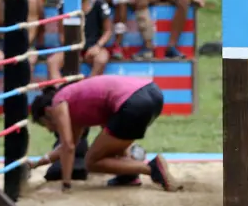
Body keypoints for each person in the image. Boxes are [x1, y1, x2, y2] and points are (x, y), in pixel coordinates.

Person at [27, 75, 177, 192]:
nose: (48, 129)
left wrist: (66, 185)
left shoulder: (58, 102)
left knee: (91, 161)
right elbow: (66, 147)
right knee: (111, 144)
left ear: (47, 111)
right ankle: (128, 176)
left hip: (133, 102)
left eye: (43, 124)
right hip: (153, 93)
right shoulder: (75, 105)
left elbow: (68, 147)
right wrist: (36, 164)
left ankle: (151, 169)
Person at [45, 0, 112, 80]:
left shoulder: (99, 3)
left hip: (93, 47)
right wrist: (72, 50)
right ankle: (58, 92)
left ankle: (88, 89)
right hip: (72, 46)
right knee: (52, 62)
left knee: (102, 59)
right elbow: (62, 35)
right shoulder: (64, 4)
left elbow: (108, 31)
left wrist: (98, 46)